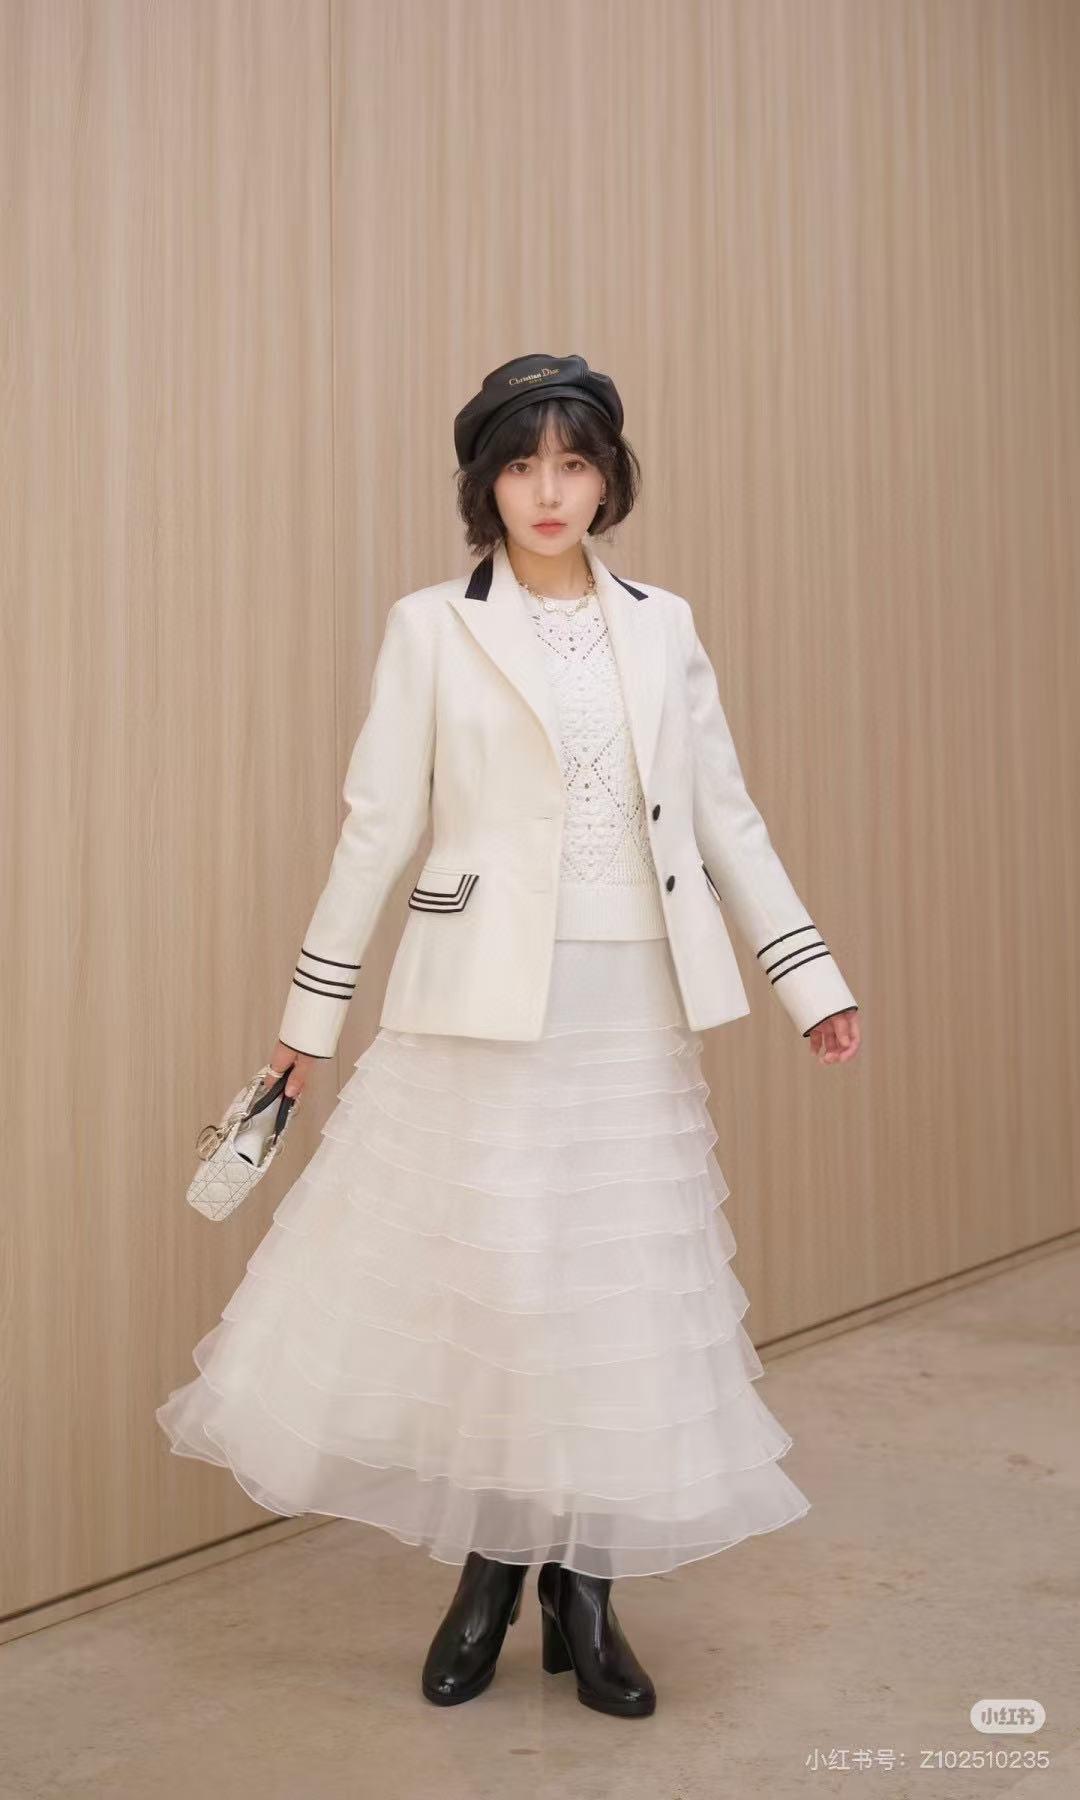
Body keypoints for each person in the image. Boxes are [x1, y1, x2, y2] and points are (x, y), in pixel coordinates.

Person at [157, 353, 860, 1719]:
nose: (550, 491)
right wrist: (309, 1022)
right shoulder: (431, 627)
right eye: (525, 464)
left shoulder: (664, 625)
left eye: (575, 463)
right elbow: (378, 827)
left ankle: (584, 1590)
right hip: (476, 1001)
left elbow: (726, 815)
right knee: (499, 1289)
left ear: (609, 479)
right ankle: (490, 1570)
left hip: (630, 999)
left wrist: (807, 979)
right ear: (485, 481)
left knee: (609, 1291)